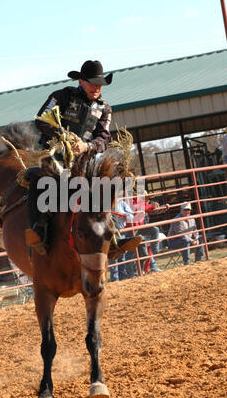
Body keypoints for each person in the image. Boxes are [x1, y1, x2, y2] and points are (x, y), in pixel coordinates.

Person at [25, 59, 142, 257]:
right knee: (43, 180)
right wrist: (63, 136)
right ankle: (40, 230)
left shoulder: (104, 108)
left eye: (100, 84)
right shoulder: (61, 96)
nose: (97, 87)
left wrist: (86, 146)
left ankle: (113, 235)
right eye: (93, 82)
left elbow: (103, 139)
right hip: (54, 155)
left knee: (106, 184)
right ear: (81, 81)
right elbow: (41, 120)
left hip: (83, 160)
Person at [127, 190, 169, 273]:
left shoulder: (143, 203)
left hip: (140, 229)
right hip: (132, 230)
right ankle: (136, 271)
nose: (147, 199)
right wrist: (151, 206)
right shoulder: (132, 202)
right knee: (134, 253)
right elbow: (141, 208)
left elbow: (152, 209)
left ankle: (155, 252)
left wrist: (163, 207)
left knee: (145, 252)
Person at [109, 199, 136, 282]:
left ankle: (123, 278)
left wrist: (123, 215)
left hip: (121, 232)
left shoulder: (121, 203)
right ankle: (115, 279)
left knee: (122, 256)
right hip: (110, 233)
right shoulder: (105, 204)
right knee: (113, 256)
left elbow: (131, 216)